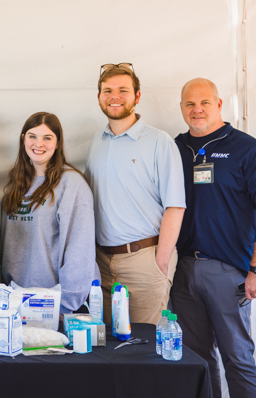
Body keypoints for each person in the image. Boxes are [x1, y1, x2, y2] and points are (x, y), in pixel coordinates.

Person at [171, 78, 256, 398]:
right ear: (181, 109)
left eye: (204, 102)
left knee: (238, 359)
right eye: (190, 104)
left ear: (219, 105)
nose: (197, 109)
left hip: (229, 272)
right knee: (197, 361)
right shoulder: (175, 149)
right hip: (183, 271)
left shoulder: (246, 149)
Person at [85, 63, 185, 324]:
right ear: (99, 98)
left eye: (122, 90)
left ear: (137, 96)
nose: (114, 96)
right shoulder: (97, 141)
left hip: (144, 259)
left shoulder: (159, 142)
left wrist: (159, 262)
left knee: (145, 351)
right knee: (106, 348)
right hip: (101, 263)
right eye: (107, 90)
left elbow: (175, 206)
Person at [0, 112, 95, 313]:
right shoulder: (15, 185)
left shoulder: (71, 183)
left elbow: (80, 249)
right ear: (23, 139)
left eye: (47, 138)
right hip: (17, 301)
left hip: (53, 305)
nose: (38, 143)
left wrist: (65, 305)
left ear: (58, 143)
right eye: (32, 136)